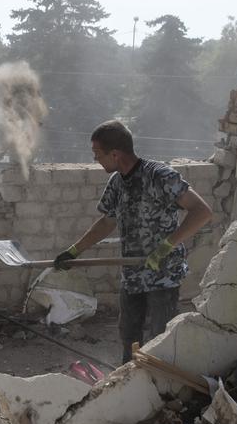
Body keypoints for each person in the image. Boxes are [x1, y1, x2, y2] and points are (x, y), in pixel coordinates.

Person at [54, 120, 212, 364]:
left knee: (161, 339)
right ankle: (128, 384)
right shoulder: (117, 183)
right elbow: (107, 223)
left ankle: (160, 390)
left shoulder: (160, 176)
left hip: (163, 275)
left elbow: (202, 211)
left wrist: (166, 246)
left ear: (115, 154)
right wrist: (74, 251)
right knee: (129, 336)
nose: (96, 160)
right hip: (133, 276)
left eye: (97, 154)